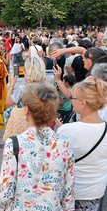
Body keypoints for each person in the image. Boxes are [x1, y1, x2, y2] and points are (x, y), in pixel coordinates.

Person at [0, 83, 75, 210]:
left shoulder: (14, 143)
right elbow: (68, 191)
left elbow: (4, 195)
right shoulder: (65, 143)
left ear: (26, 110)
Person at [57, 77, 107, 211]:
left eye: (73, 98)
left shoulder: (67, 130)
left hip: (74, 191)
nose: (71, 100)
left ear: (83, 103)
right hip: (97, 190)